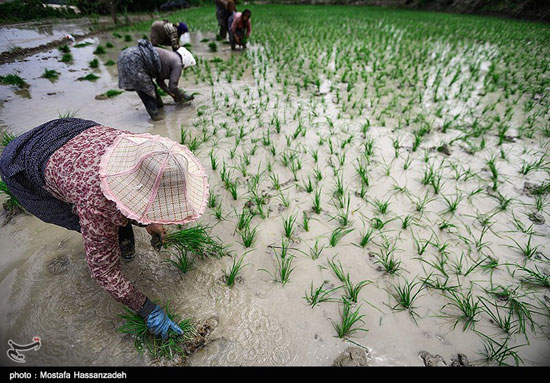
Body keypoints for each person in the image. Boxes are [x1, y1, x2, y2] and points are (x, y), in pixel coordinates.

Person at [0, 118, 209, 339]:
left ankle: (122, 245)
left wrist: (149, 221)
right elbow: (103, 273)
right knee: (85, 222)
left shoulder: (140, 149)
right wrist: (147, 309)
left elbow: (139, 187)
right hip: (24, 164)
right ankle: (117, 244)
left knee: (112, 219)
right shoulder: (96, 204)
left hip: (69, 132)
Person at [117, 39, 195, 121]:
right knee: (147, 91)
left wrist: (172, 95)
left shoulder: (170, 56)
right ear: (186, 62)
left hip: (127, 55)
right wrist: (184, 95)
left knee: (147, 86)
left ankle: (159, 106)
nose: (185, 69)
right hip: (134, 60)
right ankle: (156, 118)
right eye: (186, 68)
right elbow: (173, 86)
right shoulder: (178, 64)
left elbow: (159, 81)